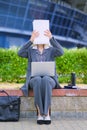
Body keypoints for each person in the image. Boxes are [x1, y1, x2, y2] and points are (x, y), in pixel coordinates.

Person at [18, 30, 64, 125]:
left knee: (46, 79)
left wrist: (51, 38)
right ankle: (39, 113)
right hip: (34, 79)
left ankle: (46, 113)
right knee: (38, 79)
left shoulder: (51, 50)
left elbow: (61, 52)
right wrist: (30, 40)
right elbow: (20, 52)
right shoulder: (31, 50)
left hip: (50, 79)